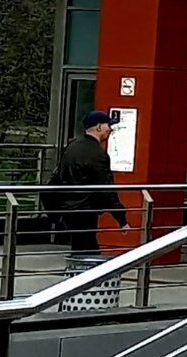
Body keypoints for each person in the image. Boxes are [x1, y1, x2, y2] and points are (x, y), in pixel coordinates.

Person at [43, 111, 127, 267]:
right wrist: (121, 217)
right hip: (86, 209)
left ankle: (77, 274)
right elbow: (106, 188)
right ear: (99, 127)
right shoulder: (98, 155)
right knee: (88, 250)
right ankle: (83, 278)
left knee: (81, 246)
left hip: (68, 208)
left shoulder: (72, 147)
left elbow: (58, 176)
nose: (110, 129)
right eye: (108, 125)